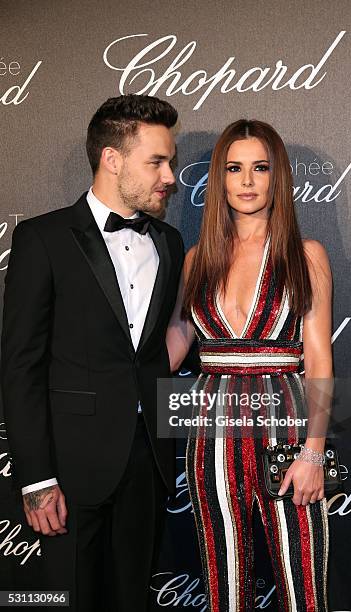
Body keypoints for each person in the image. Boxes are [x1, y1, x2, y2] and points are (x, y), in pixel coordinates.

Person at [1, 94, 184, 611]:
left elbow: (149, 353)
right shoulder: (43, 238)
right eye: (157, 162)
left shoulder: (169, 241)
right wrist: (36, 478)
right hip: (69, 469)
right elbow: (20, 366)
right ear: (112, 159)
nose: (169, 176)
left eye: (170, 162)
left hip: (148, 461)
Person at [166, 119, 333, 611]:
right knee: (223, 583)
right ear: (218, 178)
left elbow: (320, 358)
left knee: (303, 584)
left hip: (287, 436)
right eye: (234, 168)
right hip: (210, 440)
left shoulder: (306, 256)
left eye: (259, 168)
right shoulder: (197, 259)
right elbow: (177, 343)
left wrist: (314, 454)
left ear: (277, 176)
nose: (246, 181)